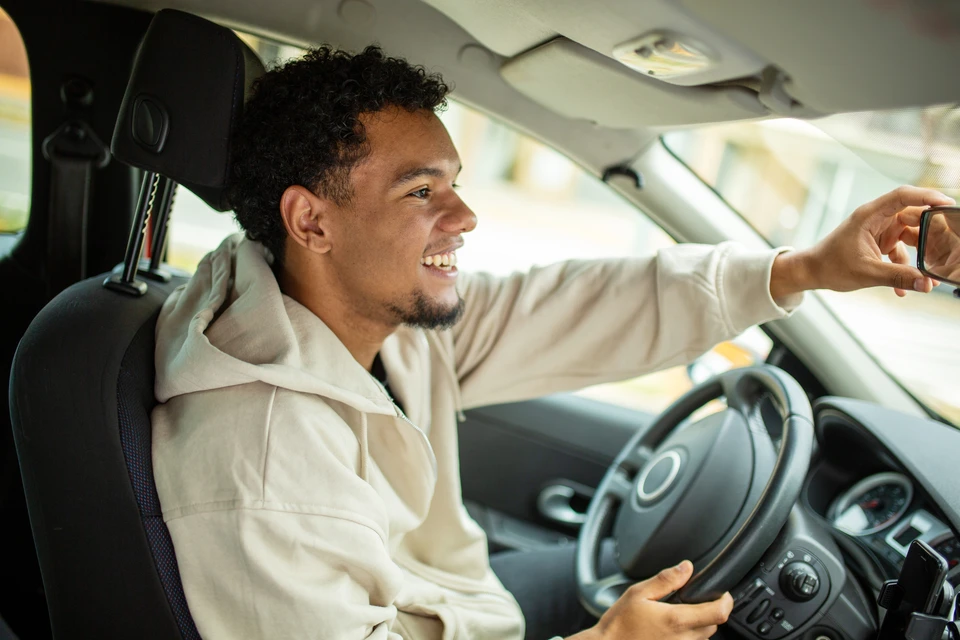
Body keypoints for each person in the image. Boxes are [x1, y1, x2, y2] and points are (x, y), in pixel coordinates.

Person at [150, 45, 952, 640]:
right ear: (311, 221)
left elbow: (585, 306)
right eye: (422, 192)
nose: (463, 218)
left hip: (458, 604)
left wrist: (806, 266)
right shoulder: (258, 466)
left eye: (455, 183)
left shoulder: (373, 316)